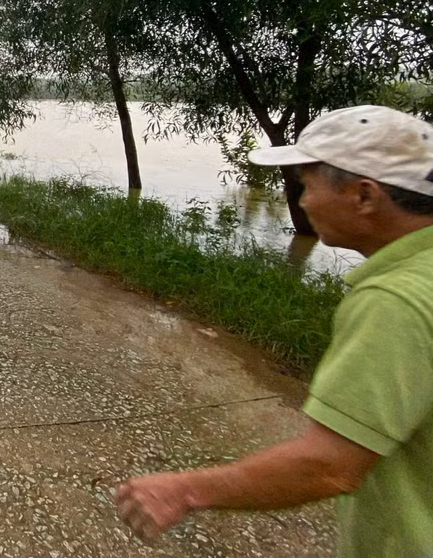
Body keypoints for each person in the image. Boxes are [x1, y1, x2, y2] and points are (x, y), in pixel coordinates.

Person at [115, 105, 433, 556]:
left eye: (307, 185)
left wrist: (184, 490)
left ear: (364, 196)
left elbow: (330, 466)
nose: (301, 202)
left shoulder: (397, 300)